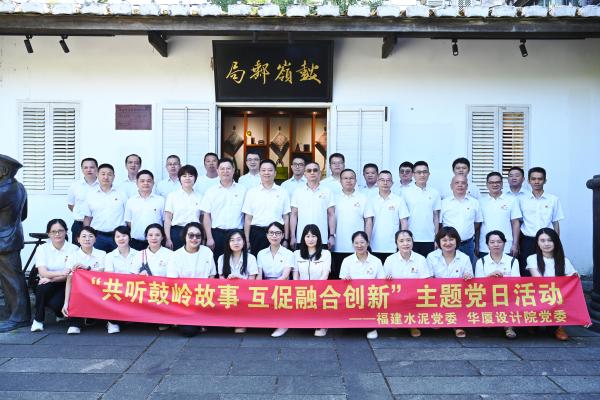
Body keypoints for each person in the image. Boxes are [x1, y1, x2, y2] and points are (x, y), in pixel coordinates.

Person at [527, 228, 578, 341]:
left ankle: (559, 327)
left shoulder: (564, 260)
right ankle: (536, 322)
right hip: (540, 294)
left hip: (558, 296)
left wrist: (574, 277)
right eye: (542, 240)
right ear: (537, 243)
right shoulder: (532, 258)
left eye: (550, 240)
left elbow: (572, 278)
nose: (546, 244)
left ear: (556, 241)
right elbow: (538, 280)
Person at [167, 222, 216, 337]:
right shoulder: (175, 256)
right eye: (191, 235)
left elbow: (212, 275)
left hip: (203, 297)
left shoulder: (207, 252)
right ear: (185, 236)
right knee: (188, 331)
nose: (194, 239)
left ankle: (201, 320)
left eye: (198, 236)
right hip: (184, 298)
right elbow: (173, 282)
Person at [61, 226, 112, 335]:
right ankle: (75, 323)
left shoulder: (102, 254)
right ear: (78, 239)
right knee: (76, 291)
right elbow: (69, 281)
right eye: (83, 236)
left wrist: (86, 269)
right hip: (81, 292)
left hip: (99, 289)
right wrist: (66, 303)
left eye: (90, 236)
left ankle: (111, 321)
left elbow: (104, 274)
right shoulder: (72, 256)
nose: (87, 239)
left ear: (95, 239)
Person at [0, 154, 30, 332]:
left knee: (12, 279)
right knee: (11, 278)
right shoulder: (19, 187)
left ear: (3, 171)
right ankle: (13, 314)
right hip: (12, 237)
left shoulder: (3, 190)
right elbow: (23, 215)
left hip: (4, 241)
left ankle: (19, 317)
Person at [30, 219, 78, 332]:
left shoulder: (74, 249)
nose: (57, 234)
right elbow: (43, 273)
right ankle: (38, 320)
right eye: (53, 231)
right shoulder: (42, 249)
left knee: (57, 303)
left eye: (60, 231)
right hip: (47, 283)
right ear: (48, 234)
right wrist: (61, 272)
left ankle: (60, 314)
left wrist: (51, 279)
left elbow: (72, 275)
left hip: (66, 283)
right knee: (41, 288)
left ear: (66, 232)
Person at [383, 230, 432, 338]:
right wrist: (387, 280)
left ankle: (413, 325)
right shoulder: (390, 260)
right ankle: (398, 318)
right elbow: (383, 284)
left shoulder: (420, 259)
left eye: (408, 240)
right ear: (396, 243)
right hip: (396, 297)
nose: (405, 243)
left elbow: (426, 282)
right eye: (401, 241)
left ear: (412, 242)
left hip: (415, 297)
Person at [426, 226, 473, 338]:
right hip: (437, 295)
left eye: (451, 239)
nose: (448, 243)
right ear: (439, 242)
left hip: (457, 296)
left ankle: (457, 324)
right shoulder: (431, 257)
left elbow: (470, 279)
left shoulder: (464, 258)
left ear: (457, 241)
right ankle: (441, 317)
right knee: (435, 327)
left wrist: (468, 277)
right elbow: (428, 279)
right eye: (444, 240)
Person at [519, 167, 565, 276]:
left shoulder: (553, 199)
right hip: (527, 240)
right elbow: (519, 222)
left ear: (545, 181)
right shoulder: (521, 200)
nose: (536, 182)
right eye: (533, 179)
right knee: (526, 271)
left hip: (546, 240)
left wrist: (556, 241)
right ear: (529, 181)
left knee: (547, 269)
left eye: (540, 179)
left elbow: (555, 222)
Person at [474, 230, 520, 339]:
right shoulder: (481, 261)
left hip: (507, 295)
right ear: (487, 245)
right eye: (492, 242)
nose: (496, 245)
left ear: (504, 243)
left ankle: (509, 326)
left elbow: (516, 283)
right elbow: (477, 285)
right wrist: (490, 277)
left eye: (499, 242)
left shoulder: (513, 261)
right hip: (487, 296)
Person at [340, 231, 385, 339]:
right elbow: (342, 282)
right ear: (353, 244)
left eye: (362, 242)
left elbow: (381, 282)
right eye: (356, 243)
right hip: (352, 297)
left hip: (370, 297)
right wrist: (345, 280)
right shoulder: (347, 260)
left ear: (367, 243)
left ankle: (370, 327)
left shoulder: (376, 261)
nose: (359, 245)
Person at [201, 158, 246, 262]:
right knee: (218, 263)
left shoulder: (242, 190)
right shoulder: (211, 191)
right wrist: (209, 237)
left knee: (237, 262)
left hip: (237, 234)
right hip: (217, 234)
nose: (225, 171)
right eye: (222, 169)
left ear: (233, 170)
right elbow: (206, 215)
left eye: (228, 168)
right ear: (217, 171)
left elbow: (246, 215)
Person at [243, 159, 291, 256]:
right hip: (257, 234)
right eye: (263, 170)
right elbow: (248, 218)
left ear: (275, 173)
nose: (266, 173)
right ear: (259, 173)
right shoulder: (252, 192)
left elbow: (286, 217)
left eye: (270, 170)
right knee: (258, 261)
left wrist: (286, 239)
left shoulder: (283, 192)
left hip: (277, 234)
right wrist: (247, 240)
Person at [332, 169, 373, 279]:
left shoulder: (363, 198)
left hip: (359, 246)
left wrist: (367, 241)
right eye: (345, 178)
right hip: (338, 246)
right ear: (340, 181)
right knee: (340, 279)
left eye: (351, 178)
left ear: (355, 180)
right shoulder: (334, 198)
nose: (348, 180)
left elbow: (368, 221)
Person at [292, 225, 331, 337]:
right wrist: (299, 288)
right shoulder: (296, 254)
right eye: (307, 236)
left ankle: (322, 325)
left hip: (320, 290)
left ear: (318, 238)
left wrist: (315, 289)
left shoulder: (326, 253)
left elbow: (325, 274)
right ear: (303, 238)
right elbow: (295, 274)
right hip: (302, 291)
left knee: (318, 332)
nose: (310, 239)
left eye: (313, 236)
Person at [257, 221, 294, 338]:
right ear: (267, 235)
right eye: (271, 233)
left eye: (277, 233)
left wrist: (272, 286)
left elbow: (285, 276)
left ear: (282, 235)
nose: (274, 236)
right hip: (266, 284)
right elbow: (259, 276)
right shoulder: (261, 254)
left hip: (283, 285)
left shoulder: (289, 253)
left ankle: (283, 324)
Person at [218, 230, 258, 334]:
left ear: (244, 241)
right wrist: (230, 281)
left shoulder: (251, 258)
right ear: (228, 243)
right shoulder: (221, 258)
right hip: (229, 293)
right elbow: (221, 281)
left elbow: (252, 282)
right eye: (232, 240)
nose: (236, 243)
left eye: (239, 239)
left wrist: (239, 278)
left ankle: (241, 321)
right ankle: (230, 318)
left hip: (245, 292)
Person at [290, 161, 336, 250]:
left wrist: (331, 235)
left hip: (322, 237)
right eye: (309, 170)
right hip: (302, 237)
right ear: (304, 173)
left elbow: (331, 214)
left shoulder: (327, 191)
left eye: (315, 170)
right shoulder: (298, 191)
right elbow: (293, 215)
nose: (312, 172)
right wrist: (292, 236)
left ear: (319, 173)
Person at [82, 163, 127, 253]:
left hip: (118, 236)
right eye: (103, 174)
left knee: (119, 259)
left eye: (109, 174)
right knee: (97, 260)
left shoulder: (122, 193)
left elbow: (128, 216)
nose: (106, 177)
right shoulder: (90, 194)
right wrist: (86, 235)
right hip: (98, 236)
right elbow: (87, 217)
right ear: (97, 175)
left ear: (114, 176)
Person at [476, 172, 521, 258]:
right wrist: (477, 244)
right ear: (487, 184)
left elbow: (515, 223)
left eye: (497, 182)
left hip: (506, 245)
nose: (495, 185)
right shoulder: (480, 201)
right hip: (485, 246)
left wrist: (515, 244)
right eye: (491, 182)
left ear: (502, 183)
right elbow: (478, 225)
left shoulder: (512, 200)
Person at [440, 175, 482, 268]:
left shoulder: (474, 202)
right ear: (451, 186)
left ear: (467, 186)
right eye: (457, 183)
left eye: (463, 183)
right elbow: (439, 224)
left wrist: (467, 232)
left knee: (467, 272)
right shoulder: (444, 203)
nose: (460, 185)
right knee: (448, 271)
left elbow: (478, 222)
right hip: (448, 244)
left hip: (467, 244)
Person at [368, 170, 409, 263]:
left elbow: (404, 222)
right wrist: (367, 242)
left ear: (392, 183)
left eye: (388, 180)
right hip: (375, 245)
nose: (385, 183)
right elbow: (369, 222)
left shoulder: (399, 200)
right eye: (382, 180)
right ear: (377, 182)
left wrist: (403, 242)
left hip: (393, 246)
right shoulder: (371, 200)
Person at [402, 161, 441, 257]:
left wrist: (436, 238)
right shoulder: (404, 192)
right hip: (410, 238)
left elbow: (436, 217)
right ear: (413, 174)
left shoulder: (435, 193)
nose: (422, 175)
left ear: (429, 174)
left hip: (429, 238)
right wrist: (403, 238)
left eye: (425, 172)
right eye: (419, 172)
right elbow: (402, 218)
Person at [124, 170, 165, 250]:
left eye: (149, 181)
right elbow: (128, 221)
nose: (145, 183)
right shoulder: (131, 201)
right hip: (136, 242)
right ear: (137, 183)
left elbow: (164, 220)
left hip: (156, 242)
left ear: (153, 183)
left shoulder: (161, 200)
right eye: (142, 181)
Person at [164, 164, 202, 251]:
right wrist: (168, 239)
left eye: (190, 176)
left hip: (195, 233)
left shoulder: (200, 197)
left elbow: (202, 219)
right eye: (184, 176)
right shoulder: (172, 196)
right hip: (177, 232)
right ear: (179, 178)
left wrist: (204, 237)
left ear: (195, 178)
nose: (187, 178)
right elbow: (168, 219)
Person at [67, 157, 99, 244]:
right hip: (79, 225)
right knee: (77, 251)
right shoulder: (75, 186)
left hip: (97, 225)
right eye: (85, 167)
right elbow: (71, 205)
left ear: (97, 168)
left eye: (92, 167)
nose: (89, 170)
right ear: (82, 169)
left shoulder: (102, 185)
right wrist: (80, 215)